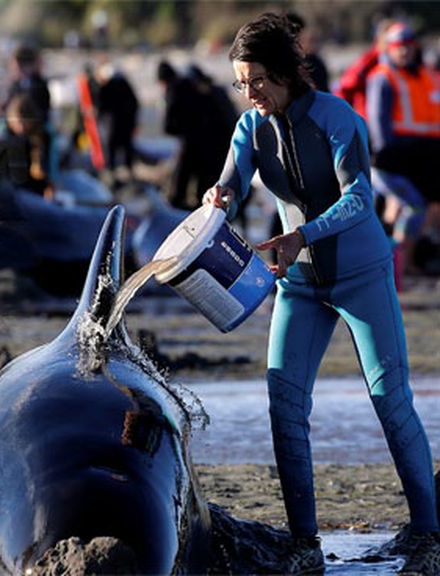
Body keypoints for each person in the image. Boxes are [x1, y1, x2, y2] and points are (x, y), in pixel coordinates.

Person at [204, 13, 440, 575]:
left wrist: (302, 234)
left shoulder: (339, 119)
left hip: (362, 275)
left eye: (257, 79)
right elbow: (232, 186)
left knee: (390, 401)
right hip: (300, 286)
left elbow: (360, 198)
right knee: (284, 406)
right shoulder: (249, 129)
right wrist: (218, 199)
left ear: (284, 72)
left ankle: (430, 536)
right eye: (241, 82)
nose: (250, 93)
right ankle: (305, 544)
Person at [365, 21, 440, 282]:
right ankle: (395, 269)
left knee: (415, 209)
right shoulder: (384, 77)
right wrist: (390, 153)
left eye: (409, 45)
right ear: (389, 47)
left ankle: (402, 267)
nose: (405, 51)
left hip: (421, 158)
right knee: (413, 208)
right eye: (399, 46)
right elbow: (380, 128)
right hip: (391, 161)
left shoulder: (423, 75)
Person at [158, 61, 238, 211]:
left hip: (206, 148)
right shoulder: (215, 92)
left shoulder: (182, 90)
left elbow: (170, 125)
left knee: (191, 187)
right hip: (221, 149)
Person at [90, 61, 138, 186]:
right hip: (124, 124)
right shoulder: (123, 83)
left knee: (112, 148)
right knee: (125, 148)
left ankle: (112, 173)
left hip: (114, 125)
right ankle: (126, 172)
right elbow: (134, 103)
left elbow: (102, 103)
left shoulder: (109, 86)